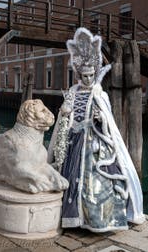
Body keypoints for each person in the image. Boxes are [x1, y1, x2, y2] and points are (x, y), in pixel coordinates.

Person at [48, 27, 145, 232]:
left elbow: (108, 119)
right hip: (74, 140)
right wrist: (64, 112)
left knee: (97, 181)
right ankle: (75, 219)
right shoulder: (73, 91)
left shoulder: (100, 93)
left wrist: (101, 118)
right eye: (83, 76)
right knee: (71, 177)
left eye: (91, 75)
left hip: (95, 141)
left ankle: (97, 221)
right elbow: (65, 117)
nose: (87, 79)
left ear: (94, 73)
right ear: (78, 75)